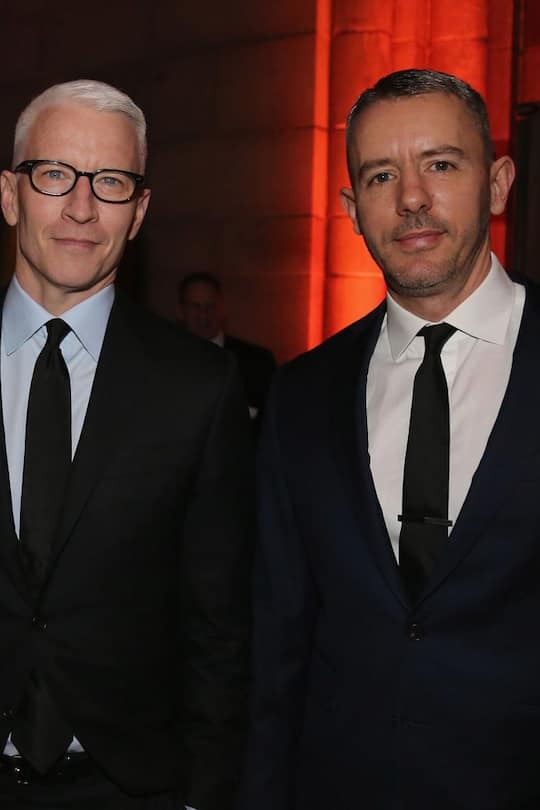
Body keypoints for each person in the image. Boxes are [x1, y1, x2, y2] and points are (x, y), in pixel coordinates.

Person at [238, 68, 540, 810]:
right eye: (380, 176)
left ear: (499, 184)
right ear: (352, 209)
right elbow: (278, 644)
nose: (411, 198)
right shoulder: (300, 396)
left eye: (441, 164)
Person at [0, 79, 253, 810]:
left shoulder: (199, 387)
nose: (81, 207)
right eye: (54, 174)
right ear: (11, 196)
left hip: (129, 788)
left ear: (138, 212)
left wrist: (204, 794)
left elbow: (220, 622)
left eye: (110, 182)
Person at [178, 273, 276, 426]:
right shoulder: (165, 362)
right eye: (195, 307)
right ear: (181, 311)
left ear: (222, 309)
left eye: (210, 306)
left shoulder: (258, 362)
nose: (203, 315)